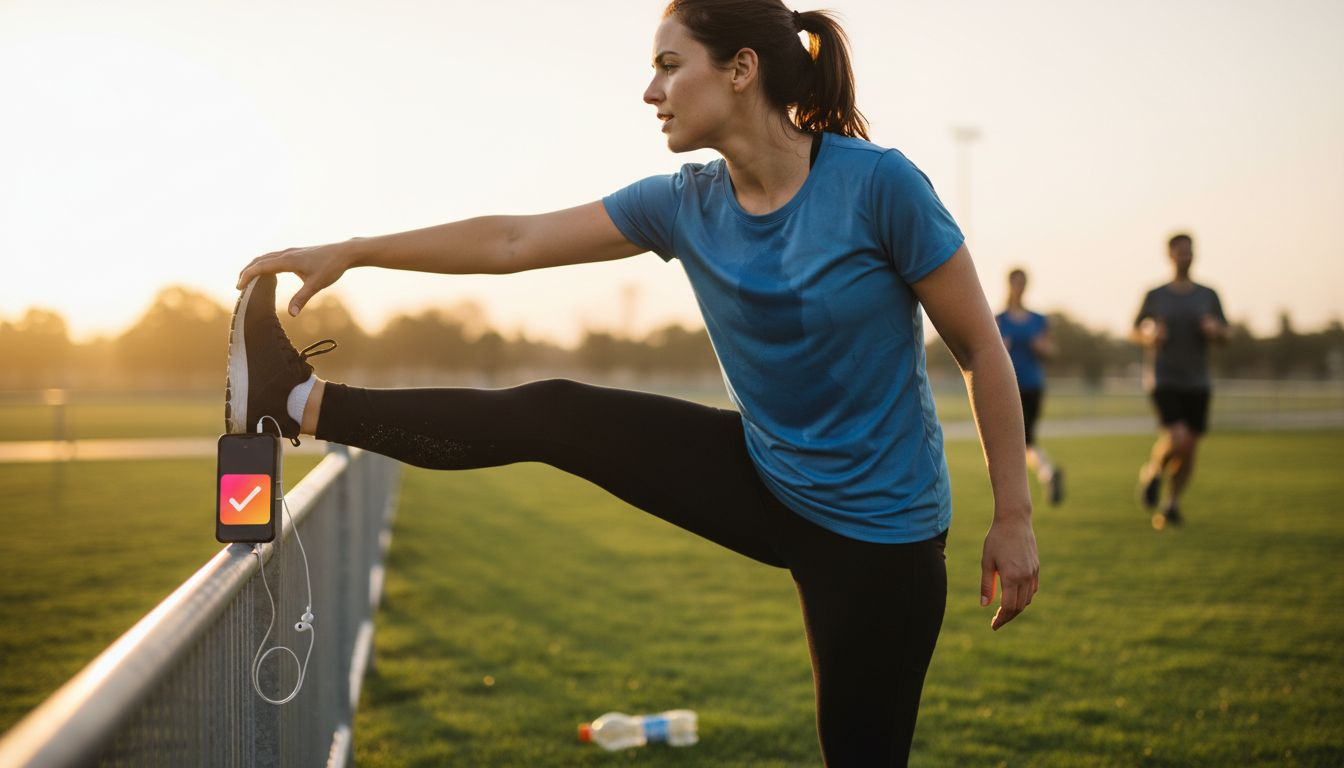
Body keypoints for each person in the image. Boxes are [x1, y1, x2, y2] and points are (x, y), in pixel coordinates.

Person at [229, 2, 1039, 764]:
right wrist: (357, 248)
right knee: (557, 412)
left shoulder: (879, 186)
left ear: (741, 70)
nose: (650, 91)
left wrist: (1013, 515)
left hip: (879, 540)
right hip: (766, 476)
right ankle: (294, 401)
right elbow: (514, 240)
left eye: (668, 64)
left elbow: (979, 348)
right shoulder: (682, 204)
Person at [1131, 233, 1228, 530]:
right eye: (1179, 252)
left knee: (1189, 448)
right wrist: (1149, 335)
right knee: (1177, 438)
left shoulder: (1208, 294)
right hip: (1164, 378)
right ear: (1169, 255)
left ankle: (1170, 503)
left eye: (1189, 251)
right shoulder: (1155, 294)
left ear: (1194, 254)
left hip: (1198, 381)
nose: (1184, 256)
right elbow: (1134, 330)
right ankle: (1154, 470)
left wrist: (1215, 330)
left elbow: (1227, 335)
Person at [995, 268, 1064, 505]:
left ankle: (1044, 473)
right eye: (1015, 282)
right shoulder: (999, 320)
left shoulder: (1038, 320)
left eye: (1023, 283)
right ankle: (1044, 473)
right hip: (1008, 386)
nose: (1019, 287)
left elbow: (1053, 351)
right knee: (1020, 442)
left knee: (1023, 442)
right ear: (1009, 284)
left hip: (1033, 386)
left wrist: (1041, 348)